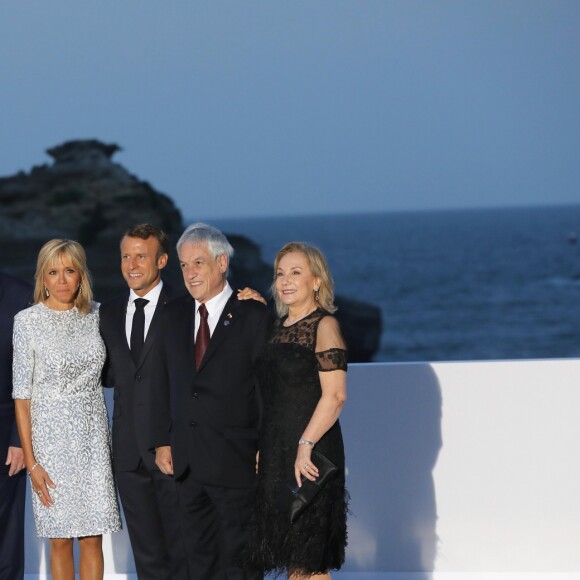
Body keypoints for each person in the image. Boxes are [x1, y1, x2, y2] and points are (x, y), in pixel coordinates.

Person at [151, 222, 271, 580]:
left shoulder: (254, 315)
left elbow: (267, 389)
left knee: (241, 560)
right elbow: (162, 382)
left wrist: (266, 447)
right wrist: (160, 440)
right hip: (186, 462)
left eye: (198, 263)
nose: (189, 273)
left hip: (236, 460)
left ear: (222, 263)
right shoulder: (171, 316)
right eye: (184, 265)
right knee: (197, 560)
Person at [13, 239, 121, 580]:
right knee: (59, 539)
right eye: (53, 272)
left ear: (81, 276)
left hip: (93, 440)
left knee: (93, 537)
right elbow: (21, 395)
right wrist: (32, 463)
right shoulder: (27, 322)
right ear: (42, 278)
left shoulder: (99, 315)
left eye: (69, 271)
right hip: (50, 443)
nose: (62, 280)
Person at [244, 242, 348, 579]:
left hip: (312, 455)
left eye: (296, 272)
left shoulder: (324, 325)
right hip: (277, 454)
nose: (286, 280)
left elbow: (335, 397)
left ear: (316, 281)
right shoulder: (274, 327)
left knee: (309, 561)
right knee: (293, 560)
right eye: (280, 273)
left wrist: (305, 448)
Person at [99, 224, 187, 580]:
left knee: (182, 550)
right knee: (146, 554)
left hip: (172, 449)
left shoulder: (184, 307)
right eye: (126, 256)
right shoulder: (108, 310)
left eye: (141, 256)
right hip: (126, 451)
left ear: (162, 260)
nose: (132, 264)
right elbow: (107, 372)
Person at [0, 271, 32, 580]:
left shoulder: (20, 294)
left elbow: (29, 375)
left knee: (6, 533)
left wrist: (19, 438)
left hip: (5, 434)